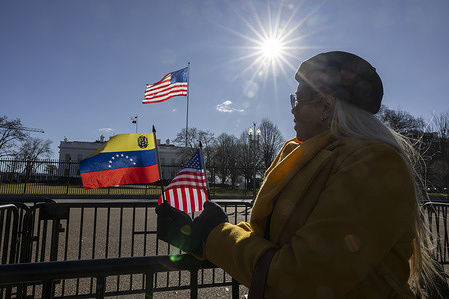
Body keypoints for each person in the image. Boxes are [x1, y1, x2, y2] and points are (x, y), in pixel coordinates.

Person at [156, 51, 444, 298]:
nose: (292, 109)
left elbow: (300, 277)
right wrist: (199, 240)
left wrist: (215, 235)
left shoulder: (375, 165)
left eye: (299, 99)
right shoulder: (310, 156)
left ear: (326, 105)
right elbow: (272, 242)